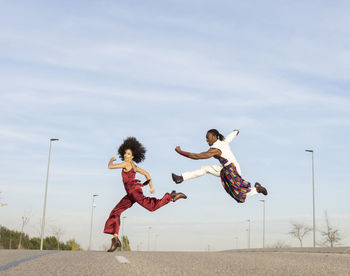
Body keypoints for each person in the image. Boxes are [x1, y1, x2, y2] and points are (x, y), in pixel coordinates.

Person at [104, 137, 187, 252]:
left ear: (133, 156)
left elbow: (110, 167)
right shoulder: (134, 167)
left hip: (134, 192)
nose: (125, 155)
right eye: (125, 153)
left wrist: (111, 161)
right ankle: (115, 239)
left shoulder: (126, 164)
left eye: (128, 154)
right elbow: (147, 174)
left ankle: (171, 197)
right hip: (130, 194)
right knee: (115, 212)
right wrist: (151, 186)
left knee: (151, 207)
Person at [171, 129, 267, 203]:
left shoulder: (216, 149)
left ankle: (257, 189)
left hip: (232, 169)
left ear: (214, 137)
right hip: (226, 168)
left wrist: (180, 152)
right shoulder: (223, 142)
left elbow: (197, 156)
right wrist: (235, 131)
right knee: (205, 168)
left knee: (237, 190)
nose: (206, 140)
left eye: (208, 137)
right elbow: (229, 137)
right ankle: (181, 178)